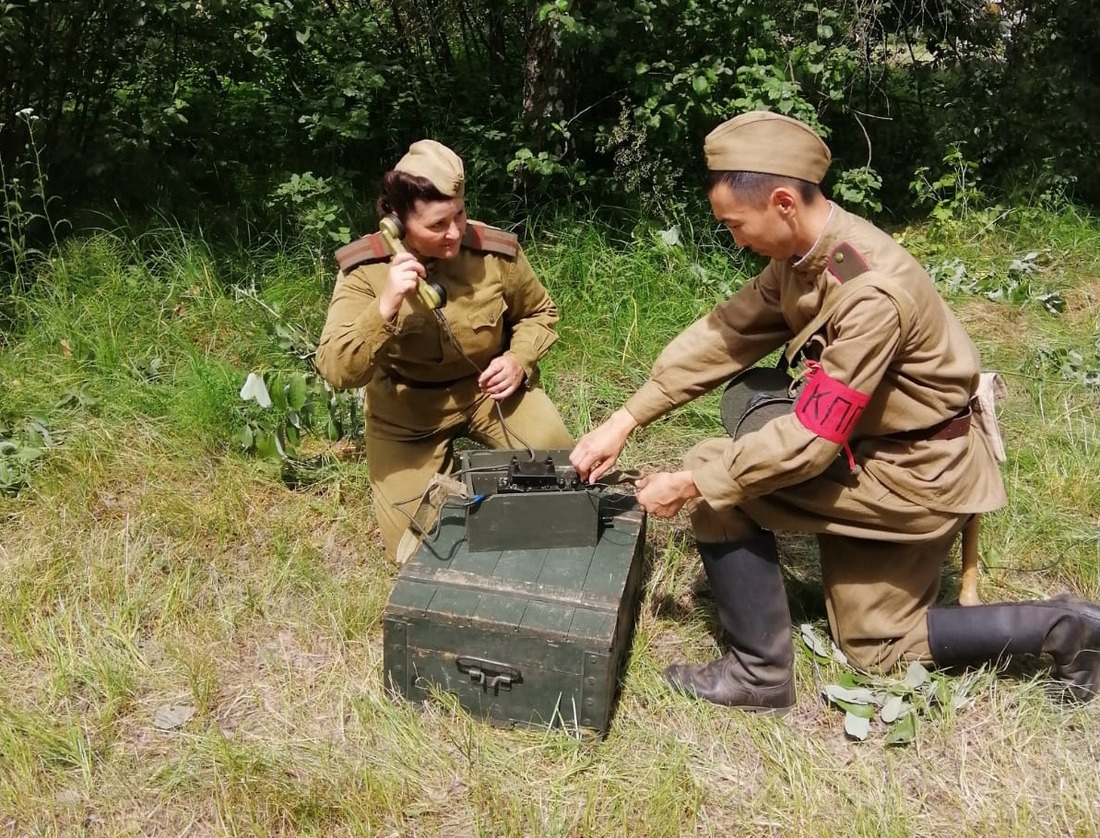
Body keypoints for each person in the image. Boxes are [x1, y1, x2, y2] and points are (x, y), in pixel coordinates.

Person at [570, 111, 1100, 712]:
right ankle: (1065, 628)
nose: (736, 240)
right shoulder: (812, 256)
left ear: (782, 203)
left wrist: (694, 483)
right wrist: (625, 419)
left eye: (735, 225)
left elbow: (811, 439)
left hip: (915, 476)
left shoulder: (870, 292)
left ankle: (759, 673)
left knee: (718, 473)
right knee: (873, 645)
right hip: (879, 451)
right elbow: (725, 334)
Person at [316, 139, 573, 562]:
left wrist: (517, 359)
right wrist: (386, 307)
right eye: (437, 225)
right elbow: (337, 369)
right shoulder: (365, 271)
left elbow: (540, 312)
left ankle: (477, 484)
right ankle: (454, 483)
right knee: (415, 550)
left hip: (488, 392)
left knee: (558, 470)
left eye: (459, 214)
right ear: (396, 225)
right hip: (406, 413)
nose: (454, 232)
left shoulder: (493, 252)